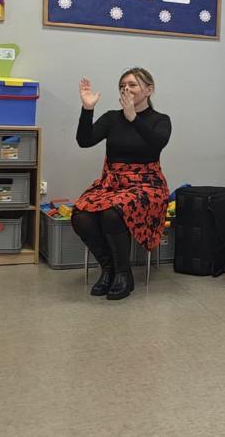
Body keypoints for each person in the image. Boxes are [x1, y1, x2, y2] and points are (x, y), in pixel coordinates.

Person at [71, 67, 172, 301]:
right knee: (81, 214)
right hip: (112, 184)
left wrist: (133, 118)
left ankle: (124, 274)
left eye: (132, 84)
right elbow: (84, 141)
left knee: (112, 213)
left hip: (148, 185)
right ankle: (109, 269)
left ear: (149, 90)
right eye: (122, 85)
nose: (126, 89)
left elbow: (156, 144)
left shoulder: (160, 120)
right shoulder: (111, 118)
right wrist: (87, 109)